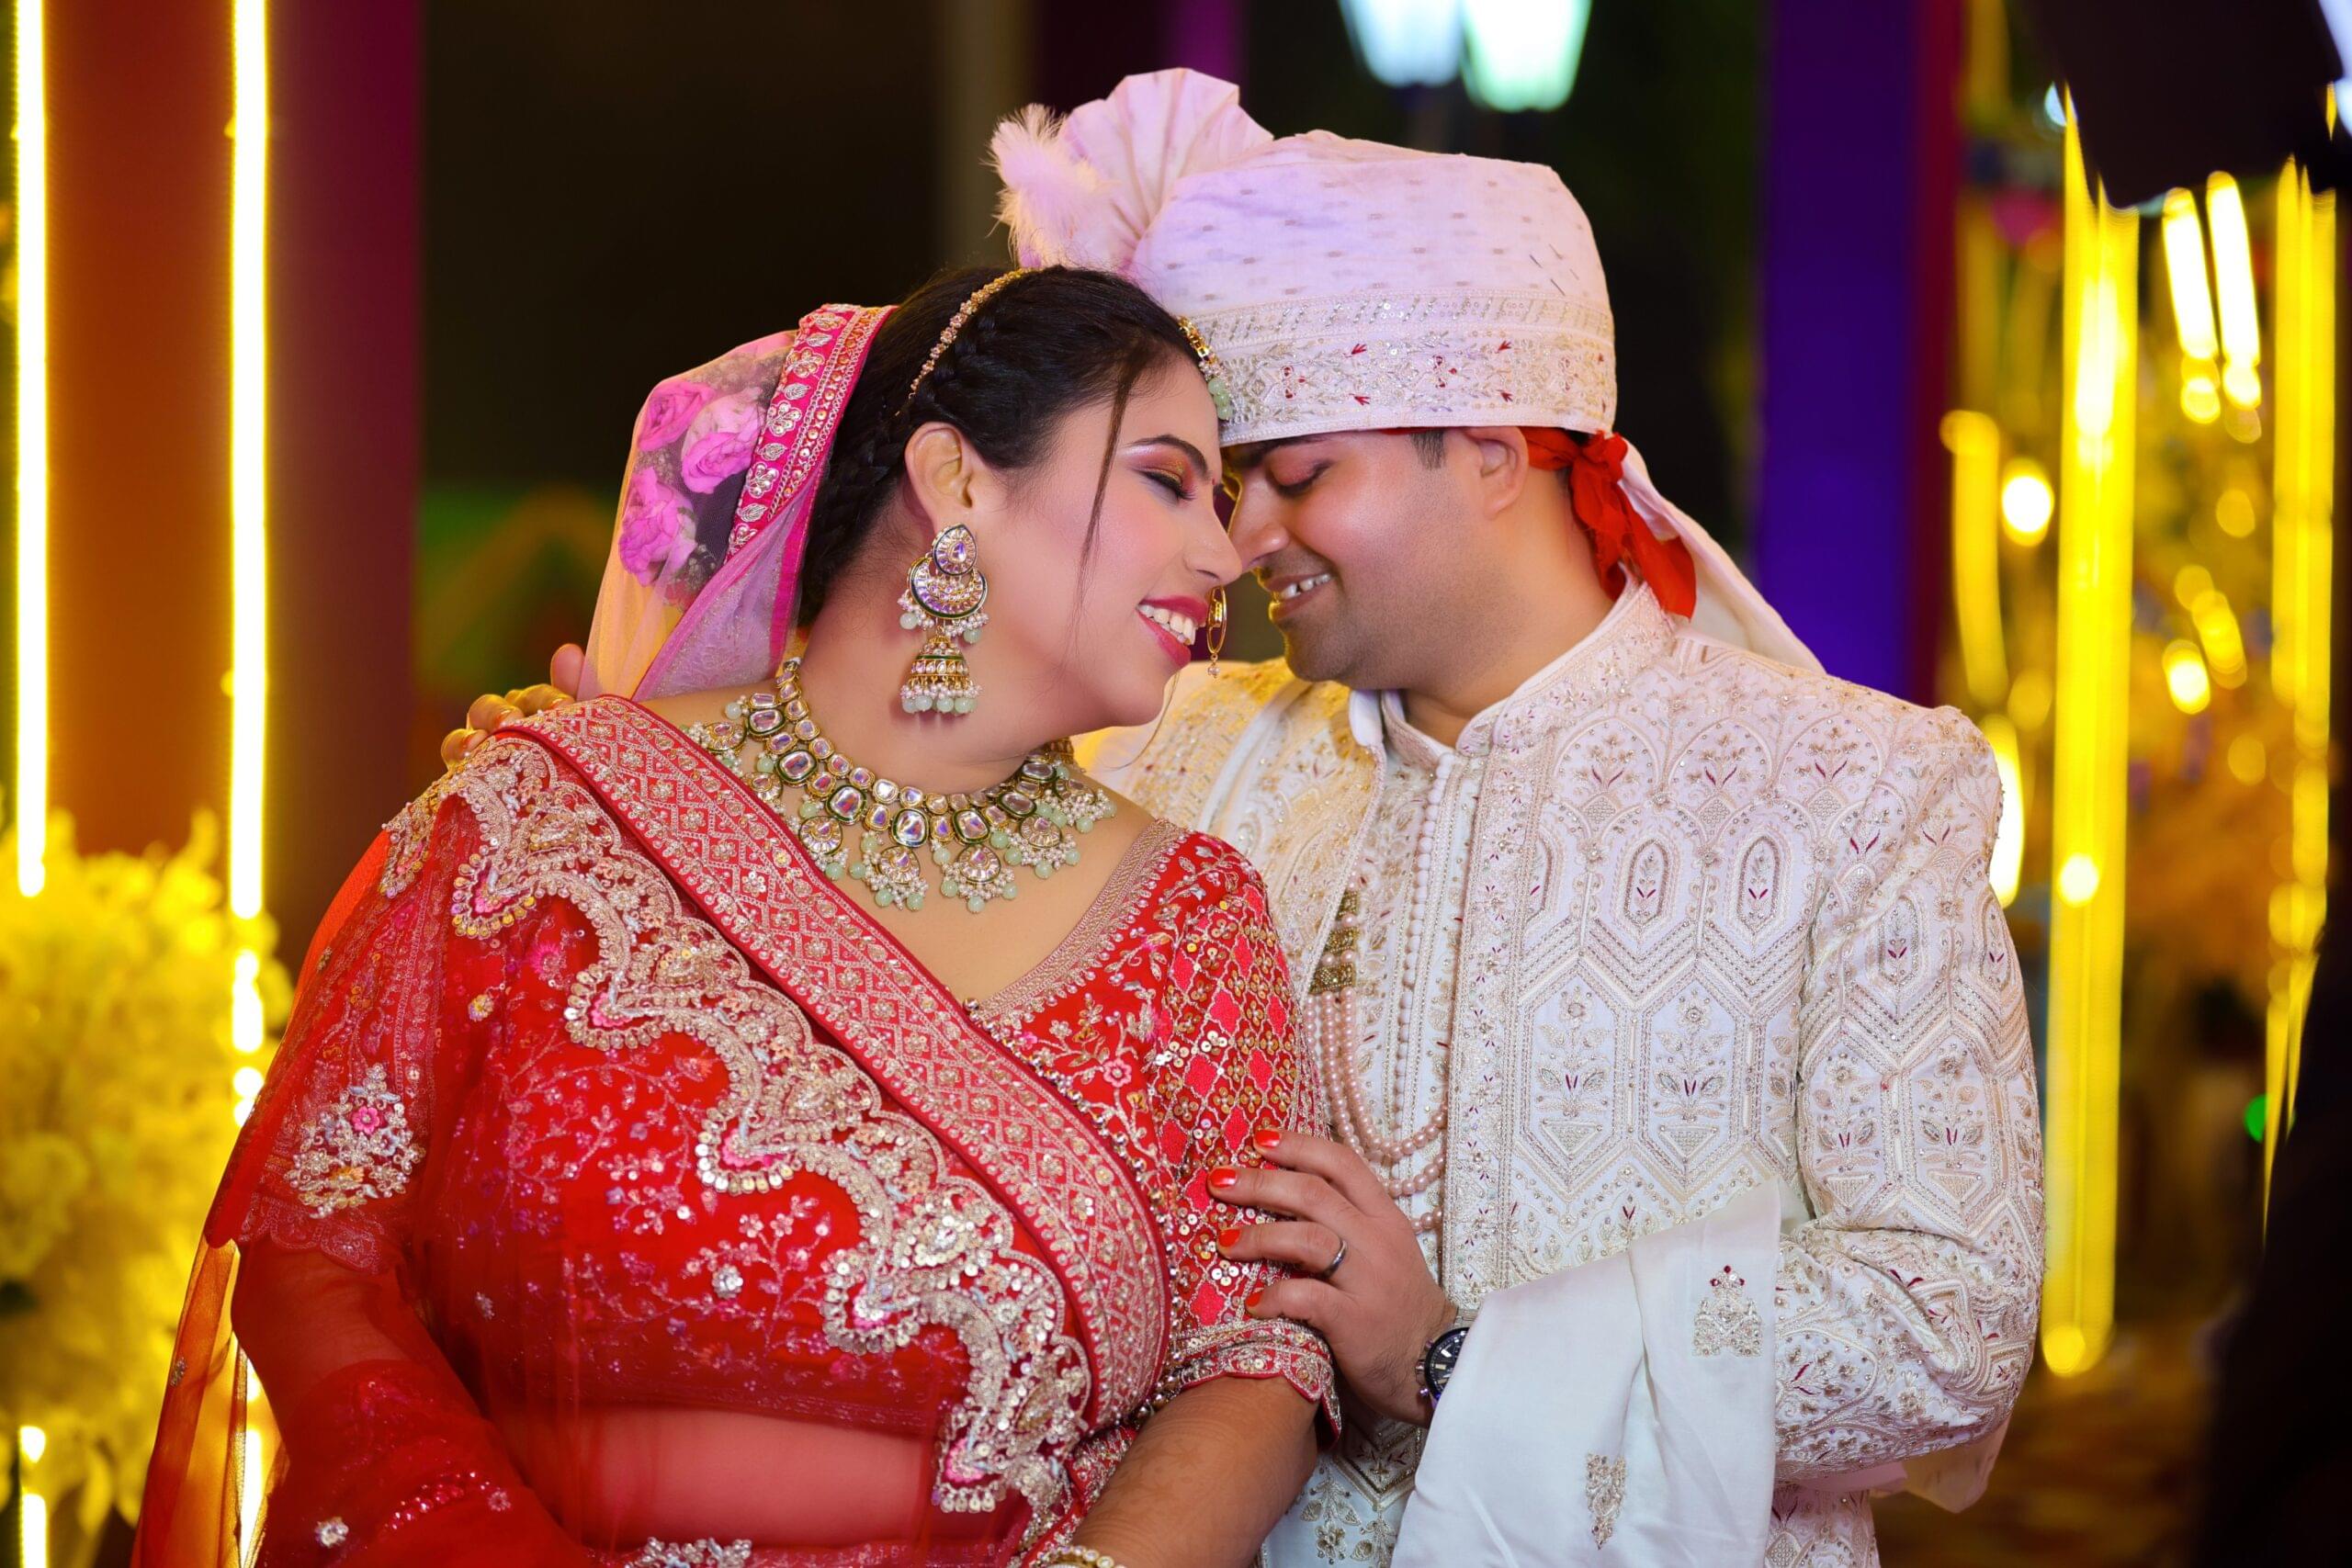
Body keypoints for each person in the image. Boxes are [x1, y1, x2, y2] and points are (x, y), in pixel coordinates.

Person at [452, 71, 2046, 1567]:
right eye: (1213, 484)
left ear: (1493, 447)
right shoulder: (1154, 756)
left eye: (1296, 474)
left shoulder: (1851, 794)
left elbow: (1948, 1322)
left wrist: (1458, 1354)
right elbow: (851, 873)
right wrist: (640, 790)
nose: (1237, 542)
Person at [134, 265, 1339, 1568]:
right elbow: (319, 1250)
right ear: (960, 482)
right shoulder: (544, 825)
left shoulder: (1195, 923)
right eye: (1168, 481)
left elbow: (1254, 1352)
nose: (1226, 553)